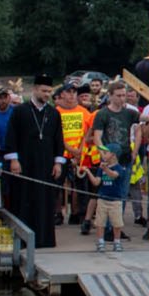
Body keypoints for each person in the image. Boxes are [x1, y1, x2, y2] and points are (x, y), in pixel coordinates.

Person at [5, 76, 66, 250]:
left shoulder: (54, 113)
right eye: (44, 91)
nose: (47, 94)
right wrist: (14, 160)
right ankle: (24, 239)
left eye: (49, 92)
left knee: (45, 200)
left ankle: (44, 239)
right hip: (24, 162)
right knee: (24, 198)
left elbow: (58, 140)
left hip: (46, 163)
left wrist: (58, 163)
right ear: (35, 89)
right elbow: (11, 136)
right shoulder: (20, 111)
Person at [55, 83, 91, 224]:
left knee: (80, 185)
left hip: (80, 155)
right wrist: (71, 150)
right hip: (62, 154)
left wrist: (80, 151)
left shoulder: (84, 112)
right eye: (68, 92)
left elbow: (88, 132)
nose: (72, 95)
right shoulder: (56, 112)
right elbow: (56, 135)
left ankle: (77, 214)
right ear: (62, 94)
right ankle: (57, 213)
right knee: (57, 185)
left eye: (74, 92)